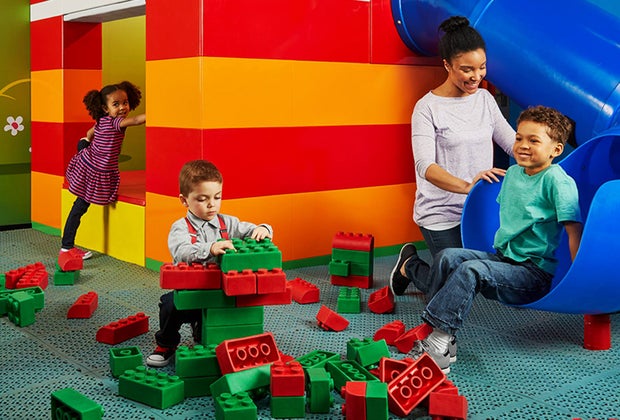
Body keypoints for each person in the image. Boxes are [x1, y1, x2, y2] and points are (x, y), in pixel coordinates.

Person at [402, 106, 582, 373]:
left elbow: (573, 231)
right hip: (504, 259)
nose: (523, 145)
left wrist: (576, 281)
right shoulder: (513, 174)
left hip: (533, 274)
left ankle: (438, 345)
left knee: (470, 270)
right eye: (519, 138)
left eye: (534, 140)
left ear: (556, 150)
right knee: (448, 257)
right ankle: (443, 336)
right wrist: (476, 182)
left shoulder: (557, 181)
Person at [390, 16, 515, 296]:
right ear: (447, 65)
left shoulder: (485, 100)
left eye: (482, 67)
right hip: (441, 212)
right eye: (466, 69)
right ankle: (409, 265)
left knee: (483, 279)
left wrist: (541, 153)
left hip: (478, 208)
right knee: (452, 289)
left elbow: (511, 143)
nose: (476, 76)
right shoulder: (427, 108)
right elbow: (425, 166)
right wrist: (468, 186)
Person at [146, 160, 273, 367]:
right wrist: (210, 248)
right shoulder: (181, 227)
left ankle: (203, 331)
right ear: (184, 200)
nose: (212, 204)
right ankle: (166, 344)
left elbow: (251, 229)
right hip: (192, 291)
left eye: (217, 197)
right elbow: (181, 251)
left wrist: (264, 229)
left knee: (223, 317)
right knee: (170, 306)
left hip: (221, 291)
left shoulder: (228, 222)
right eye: (202, 199)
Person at [60, 81, 146, 259]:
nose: (122, 108)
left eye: (125, 102)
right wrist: (160, 111)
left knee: (83, 145)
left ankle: (82, 147)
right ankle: (67, 247)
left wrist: (87, 141)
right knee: (80, 206)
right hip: (93, 167)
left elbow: (89, 133)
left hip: (89, 158)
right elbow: (137, 120)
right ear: (105, 108)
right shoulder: (116, 123)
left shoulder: (102, 120)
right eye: (116, 104)